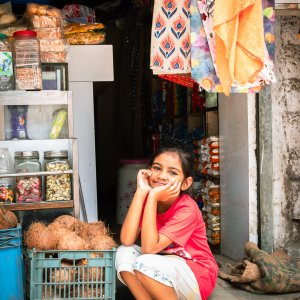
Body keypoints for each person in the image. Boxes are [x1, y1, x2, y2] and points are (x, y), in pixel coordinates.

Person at [115, 147, 218, 300]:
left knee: (145, 262)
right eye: (157, 168)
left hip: (196, 274)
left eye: (173, 172)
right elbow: (127, 239)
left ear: (185, 183)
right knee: (124, 251)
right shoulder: (148, 198)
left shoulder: (187, 209)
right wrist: (141, 192)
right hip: (162, 268)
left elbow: (149, 250)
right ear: (148, 171)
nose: (162, 176)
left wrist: (152, 198)